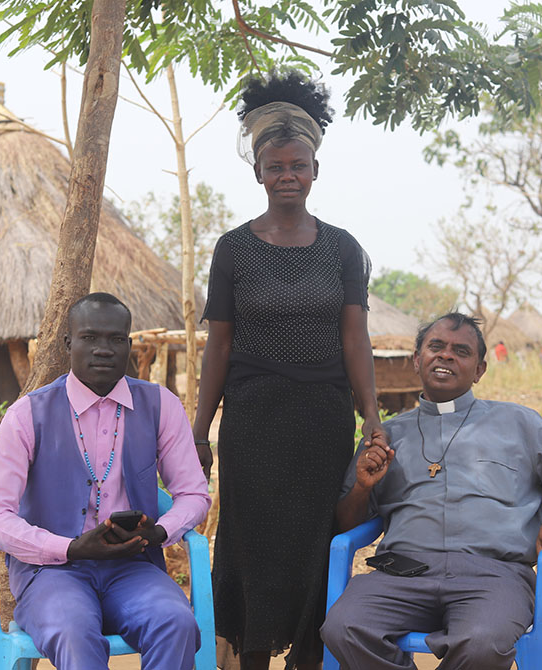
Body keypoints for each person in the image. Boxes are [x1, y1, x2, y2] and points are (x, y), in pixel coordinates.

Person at [193, 71, 384, 670]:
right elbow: (218, 346)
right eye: (275, 167)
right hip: (252, 419)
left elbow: (355, 338)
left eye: (298, 165)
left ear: (315, 171)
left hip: (323, 419)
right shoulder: (233, 249)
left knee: (314, 540)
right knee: (249, 541)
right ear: (258, 173)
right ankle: (249, 657)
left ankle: (306, 656)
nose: (287, 177)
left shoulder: (343, 248)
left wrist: (372, 415)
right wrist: (200, 429)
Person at [321, 313, 542, 670]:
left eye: (461, 351)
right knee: (344, 628)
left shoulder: (519, 423)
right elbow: (347, 524)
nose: (446, 356)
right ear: (416, 360)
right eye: (435, 347)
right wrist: (362, 487)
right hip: (402, 575)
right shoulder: (386, 436)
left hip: (494, 576)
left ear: (480, 370)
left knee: (482, 642)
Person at [0, 292, 211, 670]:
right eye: (90, 337)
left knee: (176, 623)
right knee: (74, 632)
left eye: (116, 339)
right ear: (69, 342)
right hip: (51, 572)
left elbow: (194, 493)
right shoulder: (27, 415)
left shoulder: (160, 405)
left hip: (133, 568)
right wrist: (69, 548)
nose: (104, 349)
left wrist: (160, 533)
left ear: (129, 345)